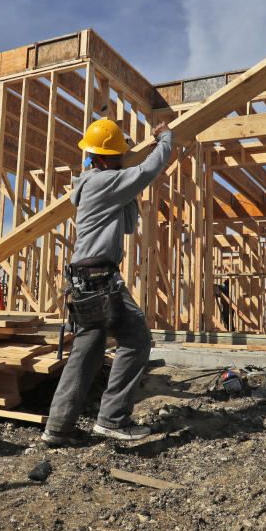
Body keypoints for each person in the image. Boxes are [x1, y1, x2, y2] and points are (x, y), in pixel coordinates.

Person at [42, 118, 175, 444]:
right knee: (137, 338)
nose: (122, 160)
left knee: (85, 354)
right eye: (118, 155)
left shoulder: (96, 183)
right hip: (100, 280)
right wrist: (166, 140)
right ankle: (112, 420)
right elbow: (146, 172)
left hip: (86, 282)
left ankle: (57, 429)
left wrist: (127, 190)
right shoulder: (103, 183)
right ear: (102, 157)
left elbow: (128, 223)